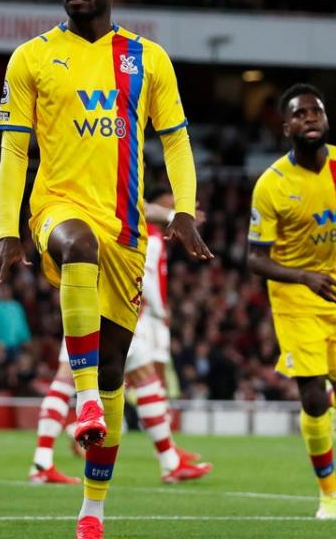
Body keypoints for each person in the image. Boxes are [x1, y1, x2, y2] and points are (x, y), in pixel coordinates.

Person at [0, 0, 212, 539]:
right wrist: (9, 231)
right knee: (76, 245)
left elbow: (177, 141)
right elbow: (12, 150)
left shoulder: (147, 59)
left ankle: (92, 510)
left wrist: (183, 209)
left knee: (113, 375)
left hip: (128, 231)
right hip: (56, 211)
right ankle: (82, 399)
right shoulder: (31, 58)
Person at [246, 83, 336, 520]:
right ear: (285, 127)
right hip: (295, 298)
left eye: (316, 113)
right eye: (300, 115)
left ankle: (331, 408)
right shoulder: (271, 185)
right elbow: (254, 258)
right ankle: (330, 494)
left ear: (326, 121)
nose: (310, 119)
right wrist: (303, 277)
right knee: (311, 397)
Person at [28, 193, 211, 486]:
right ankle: (168, 462)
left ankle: (42, 461)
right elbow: (138, 212)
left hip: (86, 298)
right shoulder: (120, 212)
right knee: (143, 381)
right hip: (110, 306)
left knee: (75, 379)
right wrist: (173, 216)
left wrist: (171, 216)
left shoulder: (92, 204)